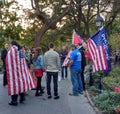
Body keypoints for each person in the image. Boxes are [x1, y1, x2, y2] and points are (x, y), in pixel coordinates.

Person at [6, 40, 36, 106]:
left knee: (14, 86)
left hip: (13, 73)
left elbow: (8, 61)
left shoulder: (11, 51)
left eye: (10, 44)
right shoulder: (20, 51)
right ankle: (22, 98)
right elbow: (23, 61)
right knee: (21, 84)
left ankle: (14, 101)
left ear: (12, 44)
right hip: (21, 72)